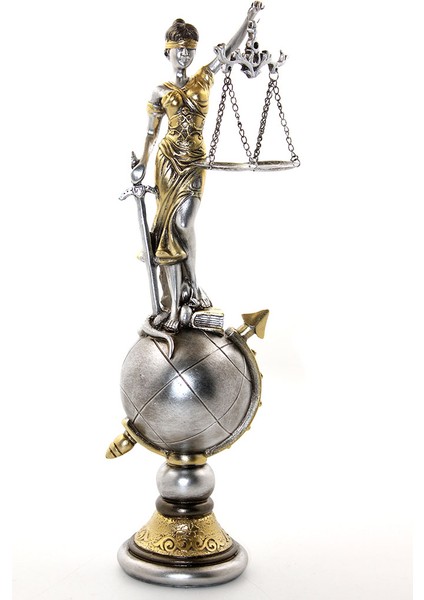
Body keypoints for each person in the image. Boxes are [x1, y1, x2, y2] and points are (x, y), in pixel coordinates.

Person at [131, 3, 263, 333]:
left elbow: (228, 52)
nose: (185, 55)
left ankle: (191, 284)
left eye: (190, 50)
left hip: (194, 163)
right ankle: (175, 304)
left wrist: (247, 21)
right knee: (169, 231)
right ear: (168, 52)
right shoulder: (160, 92)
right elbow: (151, 133)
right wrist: (142, 164)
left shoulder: (203, 79)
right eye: (179, 49)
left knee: (183, 221)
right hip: (167, 163)